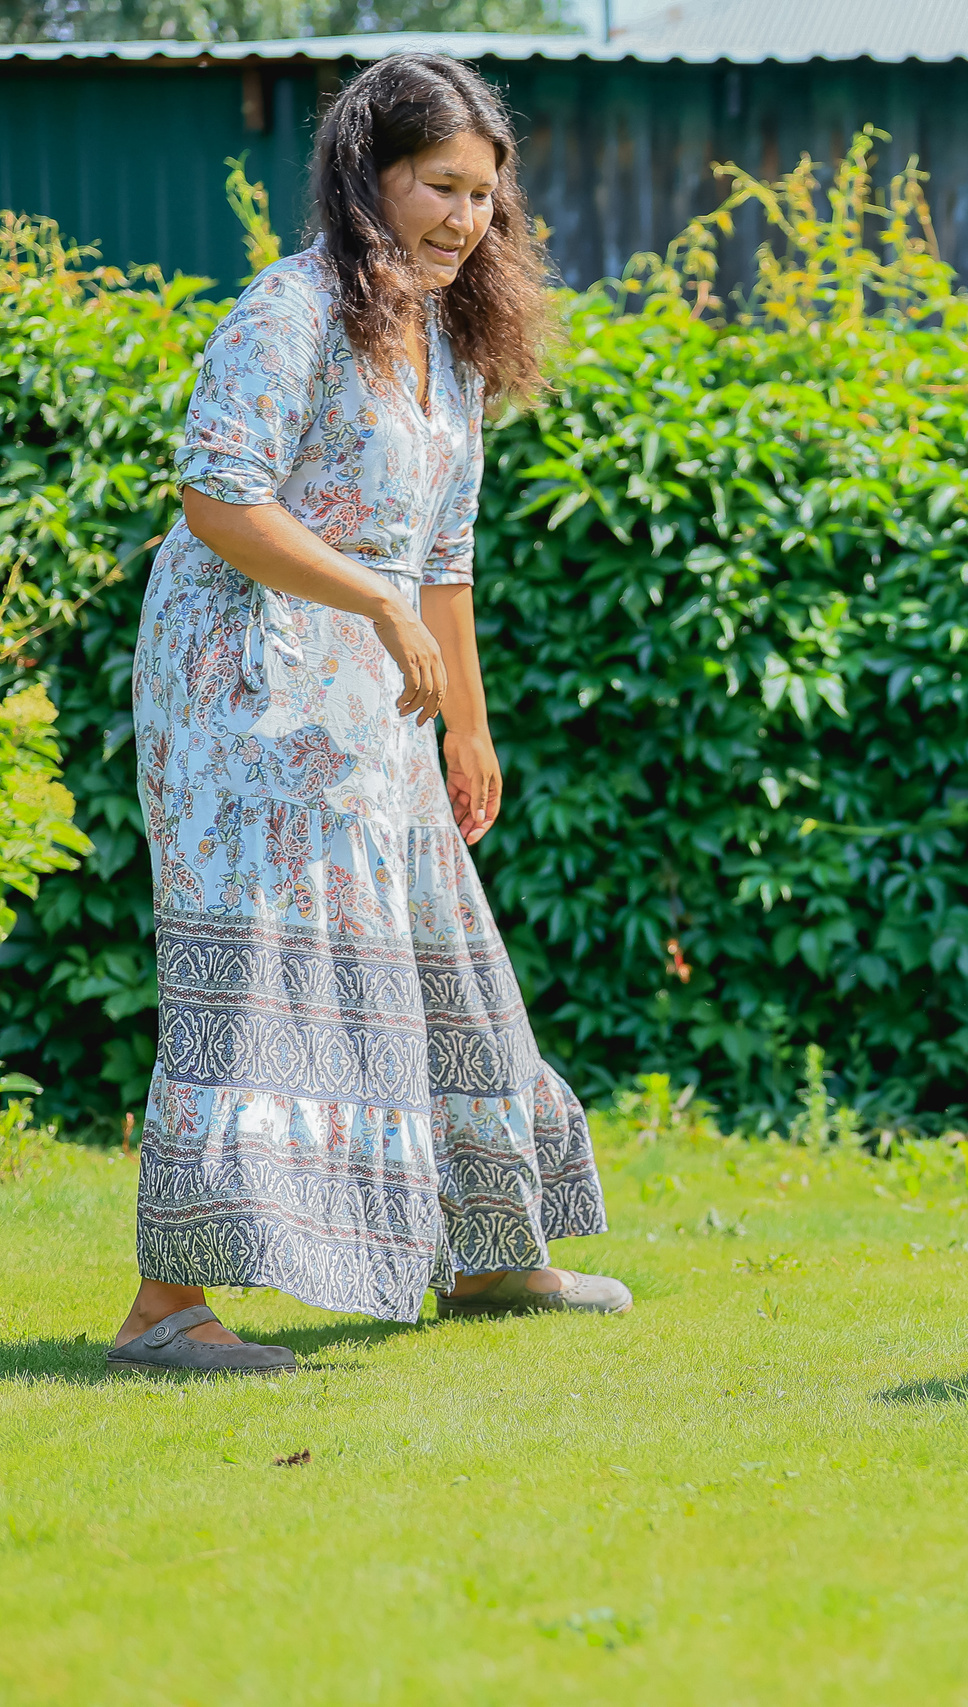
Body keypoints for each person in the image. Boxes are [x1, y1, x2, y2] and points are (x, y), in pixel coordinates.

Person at [109, 52, 628, 1375]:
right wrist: (377, 610)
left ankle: (492, 1252)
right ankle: (166, 1310)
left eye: (483, 195)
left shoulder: (448, 347)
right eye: (438, 187)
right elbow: (220, 498)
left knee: (440, 947)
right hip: (241, 695)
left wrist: (470, 720)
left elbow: (441, 557)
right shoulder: (288, 316)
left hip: (370, 703)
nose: (465, 218)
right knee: (260, 969)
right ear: (369, 178)